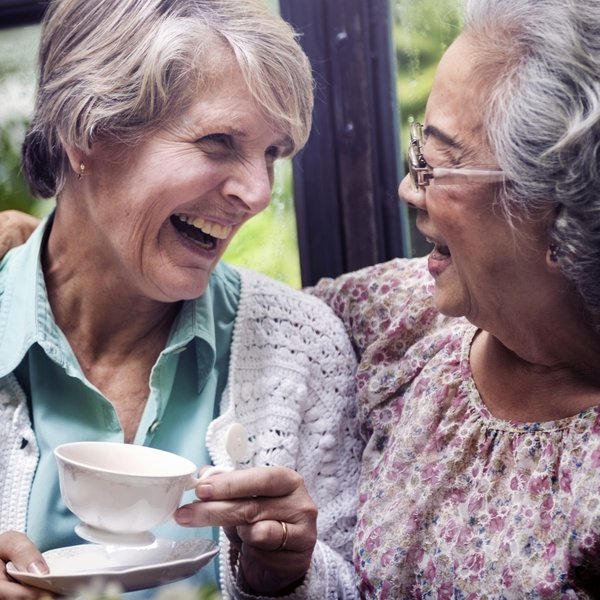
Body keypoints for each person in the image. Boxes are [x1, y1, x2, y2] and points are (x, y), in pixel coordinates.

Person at [0, 0, 363, 598]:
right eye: (219, 141)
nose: (256, 193)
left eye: (272, 154)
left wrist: (285, 577)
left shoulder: (302, 348)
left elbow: (355, 584)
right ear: (84, 132)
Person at [307, 0, 600, 596]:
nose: (407, 189)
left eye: (438, 164)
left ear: (560, 215)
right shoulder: (402, 316)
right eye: (420, 151)